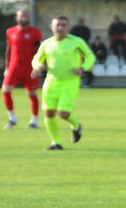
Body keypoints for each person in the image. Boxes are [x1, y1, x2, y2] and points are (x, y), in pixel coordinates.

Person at [31, 15, 95, 151]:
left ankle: (76, 126)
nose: (60, 27)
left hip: (70, 82)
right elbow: (36, 59)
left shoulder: (77, 42)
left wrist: (83, 68)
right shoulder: (46, 44)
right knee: (48, 113)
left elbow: (90, 57)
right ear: (52, 27)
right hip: (51, 82)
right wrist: (37, 67)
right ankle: (56, 142)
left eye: (63, 25)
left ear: (68, 27)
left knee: (63, 113)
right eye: (57, 25)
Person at [2, 9, 42, 129]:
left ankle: (34, 121)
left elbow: (39, 50)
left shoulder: (35, 32)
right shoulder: (10, 31)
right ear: (16, 18)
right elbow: (8, 50)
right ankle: (12, 118)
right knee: (5, 91)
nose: (24, 17)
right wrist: (6, 67)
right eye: (21, 16)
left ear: (29, 18)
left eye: (26, 16)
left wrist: (38, 66)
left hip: (30, 69)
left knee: (31, 94)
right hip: (14, 67)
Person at [70, 18, 93, 88]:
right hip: (76, 46)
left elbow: (88, 36)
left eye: (81, 21)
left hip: (84, 46)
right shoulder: (74, 29)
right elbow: (71, 36)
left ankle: (87, 83)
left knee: (88, 70)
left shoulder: (86, 29)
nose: (81, 22)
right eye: (80, 21)